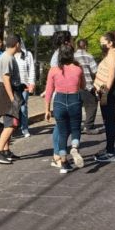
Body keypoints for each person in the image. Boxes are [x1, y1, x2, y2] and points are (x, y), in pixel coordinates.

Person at [42, 44, 85, 173]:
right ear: (72, 55)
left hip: (59, 101)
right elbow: (83, 86)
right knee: (75, 129)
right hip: (74, 100)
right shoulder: (78, 69)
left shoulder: (53, 70)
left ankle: (64, 163)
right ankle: (74, 147)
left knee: (62, 133)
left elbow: (49, 91)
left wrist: (47, 110)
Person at [0, 35, 23, 165]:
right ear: (17, 44)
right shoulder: (7, 58)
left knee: (9, 123)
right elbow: (6, 79)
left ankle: (6, 151)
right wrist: (12, 98)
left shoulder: (8, 56)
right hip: (7, 93)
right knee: (11, 124)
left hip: (9, 92)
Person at [93, 31, 115, 163]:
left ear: (110, 43)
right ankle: (108, 148)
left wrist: (105, 93)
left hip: (108, 93)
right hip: (106, 92)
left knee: (109, 122)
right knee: (107, 121)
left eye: (103, 43)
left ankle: (110, 153)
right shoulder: (112, 53)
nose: (101, 45)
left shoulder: (112, 55)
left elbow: (111, 76)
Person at [74, 38, 101, 134]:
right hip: (87, 86)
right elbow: (95, 71)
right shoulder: (89, 56)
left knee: (76, 107)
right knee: (91, 105)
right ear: (85, 46)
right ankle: (88, 126)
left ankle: (76, 127)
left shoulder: (72, 57)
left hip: (75, 86)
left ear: (77, 46)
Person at [15, 37, 36, 138]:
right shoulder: (10, 54)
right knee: (14, 107)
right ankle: (13, 127)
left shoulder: (28, 54)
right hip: (13, 85)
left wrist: (31, 83)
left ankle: (25, 128)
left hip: (25, 85)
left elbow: (31, 69)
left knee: (23, 107)